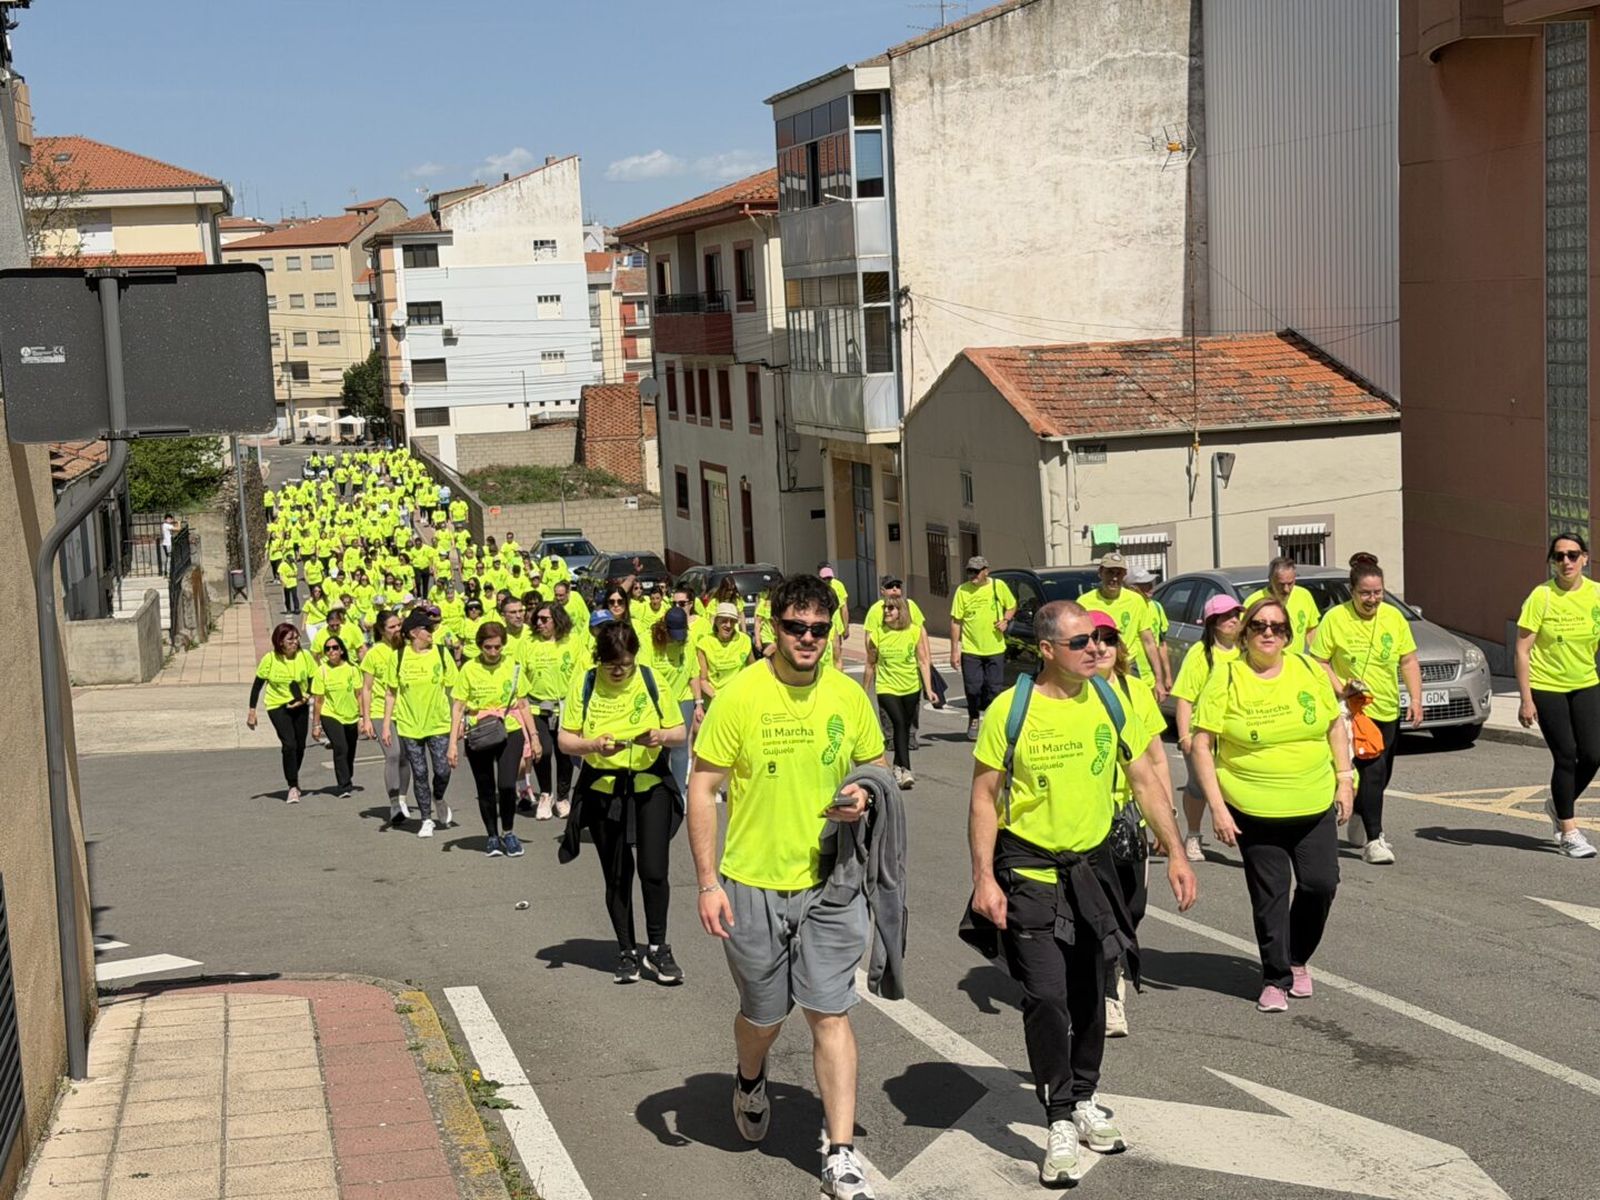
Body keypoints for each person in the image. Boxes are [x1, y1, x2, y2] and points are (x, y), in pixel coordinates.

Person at [968, 600, 1194, 1186]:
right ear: (1047, 650)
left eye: (1100, 639)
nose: (1096, 649)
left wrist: (1174, 849)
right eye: (1081, 643)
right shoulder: (1009, 711)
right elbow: (984, 798)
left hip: (1094, 869)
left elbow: (1144, 776)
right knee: (1046, 994)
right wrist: (983, 878)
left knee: (1092, 990)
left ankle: (1087, 1096)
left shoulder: (1112, 700)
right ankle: (1059, 1116)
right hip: (1030, 868)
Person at [688, 575, 887, 1200]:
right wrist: (705, 883)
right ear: (771, 628)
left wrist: (862, 793)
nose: (808, 640)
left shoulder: (846, 696)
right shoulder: (741, 695)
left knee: (830, 1013)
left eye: (819, 630)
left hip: (831, 883)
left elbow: (874, 767)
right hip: (750, 884)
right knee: (763, 1015)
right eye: (796, 628)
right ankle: (750, 1076)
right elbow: (703, 786)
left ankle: (841, 1152)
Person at [1190, 596, 1352, 1013]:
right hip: (1253, 808)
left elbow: (1335, 725)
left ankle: (1297, 956)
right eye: (1259, 626)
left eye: (1277, 627)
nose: (1268, 633)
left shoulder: (1307, 670)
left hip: (1313, 801)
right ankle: (1276, 977)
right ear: (1244, 633)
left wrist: (1344, 779)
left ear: (1287, 635)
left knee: (1321, 884)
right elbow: (1203, 747)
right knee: (1271, 896)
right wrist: (1218, 808)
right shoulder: (1226, 678)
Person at [558, 620, 688, 985]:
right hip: (603, 787)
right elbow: (566, 740)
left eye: (625, 664)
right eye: (611, 664)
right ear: (600, 659)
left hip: (650, 784)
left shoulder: (649, 679)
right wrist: (593, 745)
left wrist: (659, 735)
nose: (618, 671)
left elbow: (679, 733)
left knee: (654, 869)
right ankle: (627, 950)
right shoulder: (585, 682)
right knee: (617, 874)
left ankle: (658, 948)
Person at [1092, 612, 1175, 1038]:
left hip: (1130, 817)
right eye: (1092, 638)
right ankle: (1107, 990)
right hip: (1084, 821)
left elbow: (1157, 758)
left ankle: (1113, 959)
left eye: (1109, 638)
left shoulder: (1134, 690)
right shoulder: (1068, 693)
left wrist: (1166, 820)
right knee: (1100, 912)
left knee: (1132, 907)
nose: (1101, 646)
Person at [1310, 553, 1422, 865]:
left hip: (1387, 707)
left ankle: (1360, 810)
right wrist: (1339, 688)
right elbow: (1318, 660)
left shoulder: (1393, 618)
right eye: (1365, 594)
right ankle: (1375, 839)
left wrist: (1414, 699)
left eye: (1378, 592)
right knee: (1372, 773)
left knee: (1382, 773)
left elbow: (1408, 660)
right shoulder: (1335, 619)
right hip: (1354, 709)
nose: (1372, 599)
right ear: (1352, 591)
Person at [1516, 531, 1600, 858]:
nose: (1566, 561)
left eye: (1573, 554)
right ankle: (1569, 831)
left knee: (1593, 755)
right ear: (1552, 561)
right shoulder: (1542, 596)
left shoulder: (1596, 594)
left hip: (1585, 683)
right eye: (1559, 556)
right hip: (1547, 686)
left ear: (1585, 558)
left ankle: (1557, 803)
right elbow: (1522, 651)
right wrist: (1526, 698)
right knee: (1566, 754)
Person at [450, 621, 537, 858]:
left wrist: (534, 737)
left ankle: (508, 833)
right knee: (485, 787)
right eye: (487, 647)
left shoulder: (513, 667)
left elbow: (523, 703)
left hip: (509, 730)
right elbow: (458, 707)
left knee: (507, 785)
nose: (493, 652)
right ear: (479, 646)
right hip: (479, 732)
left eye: (497, 647)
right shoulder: (468, 669)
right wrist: (452, 745)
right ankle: (492, 836)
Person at [1172, 595, 1245, 861]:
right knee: (1198, 787)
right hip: (1203, 734)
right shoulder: (1201, 654)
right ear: (1213, 622)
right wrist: (1184, 736)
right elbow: (1185, 698)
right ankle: (1193, 835)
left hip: (1236, 733)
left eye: (1236, 615)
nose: (1233, 621)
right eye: (1226, 616)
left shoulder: (1247, 652)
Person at [383, 609, 460, 839]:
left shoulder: (441, 653)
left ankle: (439, 797)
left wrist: (461, 720)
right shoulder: (398, 657)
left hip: (438, 723)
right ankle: (426, 818)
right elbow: (390, 693)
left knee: (442, 769)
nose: (432, 631)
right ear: (415, 633)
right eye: (428, 628)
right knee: (419, 772)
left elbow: (456, 692)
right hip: (409, 725)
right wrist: (387, 724)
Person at [863, 596, 934, 789]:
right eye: (885, 608)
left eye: (891, 608)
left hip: (910, 686)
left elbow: (923, 661)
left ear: (900, 611)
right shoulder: (877, 634)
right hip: (886, 687)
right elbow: (870, 664)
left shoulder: (914, 631)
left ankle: (897, 765)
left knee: (904, 725)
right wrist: (864, 691)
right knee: (899, 722)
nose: (886, 611)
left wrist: (928, 689)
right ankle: (907, 769)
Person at [1077, 552, 1167, 698]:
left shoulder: (1136, 601)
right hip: (1097, 666)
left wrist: (1159, 680)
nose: (1114, 578)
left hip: (1128, 667)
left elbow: (1148, 641)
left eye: (1119, 573)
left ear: (1124, 575)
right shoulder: (1084, 602)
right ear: (1100, 573)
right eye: (1110, 572)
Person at [522, 600, 580, 820]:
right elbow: (519, 674)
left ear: (557, 620)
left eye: (545, 619)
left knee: (564, 753)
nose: (540, 623)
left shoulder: (572, 642)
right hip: (537, 707)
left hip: (565, 708)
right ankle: (546, 793)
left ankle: (563, 796)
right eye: (537, 618)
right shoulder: (529, 643)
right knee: (543, 752)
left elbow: (581, 672)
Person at [247, 623, 317, 803]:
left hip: (300, 703)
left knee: (300, 745)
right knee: (289, 744)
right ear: (280, 642)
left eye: (296, 638)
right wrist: (252, 711)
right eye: (290, 639)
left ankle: (293, 774)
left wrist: (305, 698)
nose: (295, 642)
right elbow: (257, 686)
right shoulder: (270, 659)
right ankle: (292, 785)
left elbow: (312, 680)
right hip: (277, 705)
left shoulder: (305, 656)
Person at [950, 555, 1017, 740]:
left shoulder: (998, 586)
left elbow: (1011, 606)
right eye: (969, 571)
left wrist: (1005, 620)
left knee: (994, 689)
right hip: (971, 649)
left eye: (976, 572)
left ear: (986, 571)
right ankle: (973, 717)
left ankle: (992, 721)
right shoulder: (962, 591)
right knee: (973, 689)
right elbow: (956, 621)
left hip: (995, 648)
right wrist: (954, 650)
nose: (972, 575)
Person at [864, 575, 930, 750]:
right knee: (887, 707)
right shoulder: (875, 610)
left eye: (897, 586)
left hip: (909, 668)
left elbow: (921, 633)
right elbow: (869, 639)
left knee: (912, 706)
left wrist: (926, 661)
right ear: (882, 591)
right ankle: (891, 736)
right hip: (886, 667)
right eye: (890, 586)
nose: (894, 589)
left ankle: (910, 734)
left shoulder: (911, 606)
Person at [360, 610, 412, 824]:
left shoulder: (407, 651)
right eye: (392, 627)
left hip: (406, 711)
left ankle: (402, 799)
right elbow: (366, 688)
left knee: (405, 757)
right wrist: (366, 719)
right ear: (381, 630)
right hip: (381, 711)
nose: (397, 630)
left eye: (399, 625)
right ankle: (393, 804)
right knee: (393, 754)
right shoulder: (374, 654)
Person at [311, 635, 361, 798]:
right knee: (341, 747)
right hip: (330, 714)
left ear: (341, 650)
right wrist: (316, 725)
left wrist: (362, 717)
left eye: (334, 648)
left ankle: (347, 775)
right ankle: (343, 785)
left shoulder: (352, 669)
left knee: (350, 750)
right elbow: (318, 700)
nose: (331, 651)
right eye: (327, 649)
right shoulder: (321, 671)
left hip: (351, 715)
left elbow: (359, 694)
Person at [1244, 556, 1321, 651]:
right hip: (1265, 663)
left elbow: (1311, 631)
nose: (1286, 589)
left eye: (1290, 583)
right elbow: (1243, 638)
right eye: (1281, 584)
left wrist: (1316, 658)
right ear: (1270, 580)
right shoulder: (1253, 602)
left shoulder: (1304, 595)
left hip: (1295, 662)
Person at [696, 603, 755, 705]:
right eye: (724, 621)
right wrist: (717, 698)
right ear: (716, 621)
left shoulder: (745, 640)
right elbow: (703, 680)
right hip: (715, 699)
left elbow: (753, 669)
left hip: (739, 698)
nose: (728, 625)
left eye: (732, 621)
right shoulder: (704, 643)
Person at [1126, 566, 1172, 693]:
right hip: (1133, 676)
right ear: (1132, 588)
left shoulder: (1156, 607)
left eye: (1150, 583)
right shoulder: (1127, 609)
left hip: (1151, 679)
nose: (1151, 587)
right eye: (1144, 584)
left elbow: (1161, 644)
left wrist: (1166, 676)